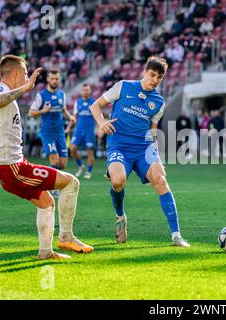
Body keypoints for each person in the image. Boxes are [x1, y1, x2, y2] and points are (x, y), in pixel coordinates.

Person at [0, 55, 93, 260]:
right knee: (72, 183)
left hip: (7, 165)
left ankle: (46, 252)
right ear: (15, 74)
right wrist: (25, 88)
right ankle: (66, 237)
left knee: (46, 201)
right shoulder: (0, 90)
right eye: (25, 74)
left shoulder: (0, 92)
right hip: (12, 166)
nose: (27, 78)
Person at [89, 56, 190, 247]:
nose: (154, 79)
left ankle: (176, 235)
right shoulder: (123, 86)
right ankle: (120, 217)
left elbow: (152, 130)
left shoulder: (158, 102)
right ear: (144, 72)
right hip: (118, 145)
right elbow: (95, 105)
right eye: (152, 74)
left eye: (159, 77)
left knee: (161, 180)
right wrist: (101, 122)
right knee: (118, 181)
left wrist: (155, 154)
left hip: (143, 148)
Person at [28, 69, 75, 172]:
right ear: (48, 79)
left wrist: (70, 116)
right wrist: (43, 111)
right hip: (48, 132)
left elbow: (63, 109)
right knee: (55, 161)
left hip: (60, 132)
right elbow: (31, 113)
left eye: (57, 79)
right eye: (52, 78)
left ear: (59, 80)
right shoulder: (41, 95)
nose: (54, 81)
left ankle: (49, 181)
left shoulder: (62, 94)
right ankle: (45, 183)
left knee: (63, 164)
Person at [68, 84, 96, 179]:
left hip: (89, 130)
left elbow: (97, 116)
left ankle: (88, 171)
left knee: (90, 152)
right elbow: (74, 117)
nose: (85, 91)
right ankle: (80, 166)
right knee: (72, 149)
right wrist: (69, 127)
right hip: (79, 130)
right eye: (84, 90)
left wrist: (99, 128)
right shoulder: (78, 102)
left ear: (90, 91)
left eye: (87, 90)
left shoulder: (94, 102)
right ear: (81, 91)